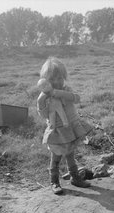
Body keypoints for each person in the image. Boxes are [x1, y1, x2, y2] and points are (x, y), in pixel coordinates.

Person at [37, 57, 93, 195]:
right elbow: (43, 115)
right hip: (57, 130)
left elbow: (76, 98)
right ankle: (54, 181)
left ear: (64, 77)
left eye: (60, 78)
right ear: (46, 80)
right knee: (55, 157)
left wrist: (60, 93)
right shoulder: (45, 96)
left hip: (71, 128)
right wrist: (41, 101)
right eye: (52, 79)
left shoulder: (66, 89)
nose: (56, 82)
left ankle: (75, 178)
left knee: (70, 154)